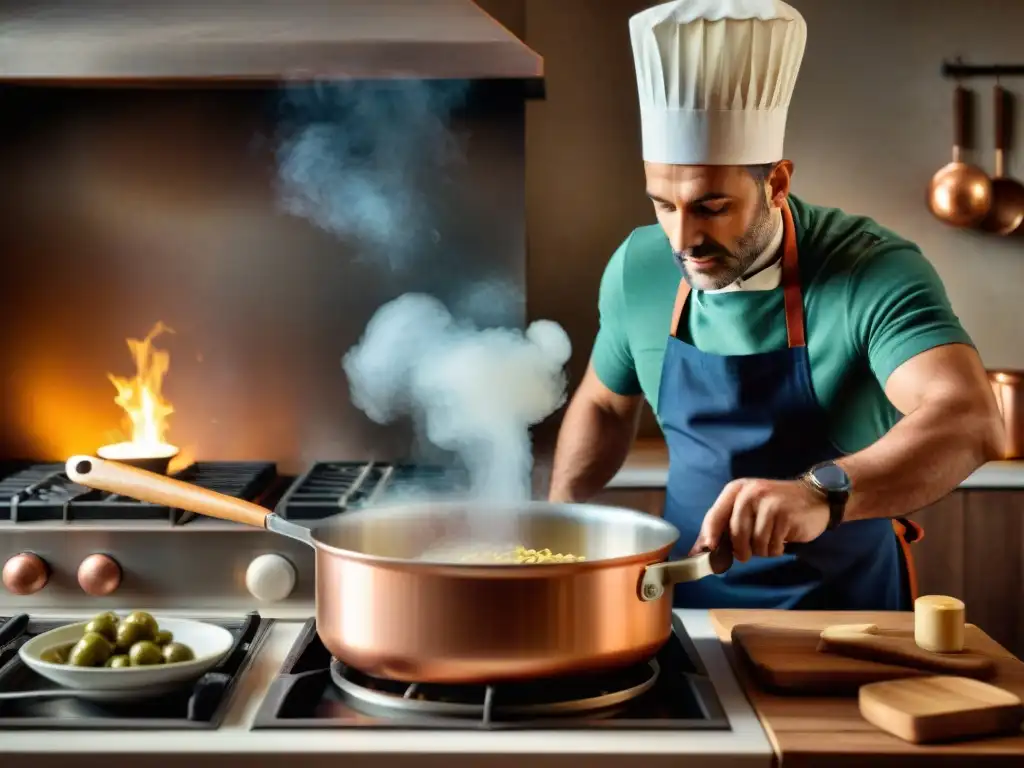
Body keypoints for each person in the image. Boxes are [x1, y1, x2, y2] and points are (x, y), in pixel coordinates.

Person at [547, 0, 1004, 610]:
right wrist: (557, 524)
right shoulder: (640, 266)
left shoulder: (871, 270)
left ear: (777, 184)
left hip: (842, 624)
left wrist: (821, 494)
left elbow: (970, 419)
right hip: (683, 609)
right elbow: (605, 403)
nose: (683, 240)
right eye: (663, 204)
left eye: (712, 206)